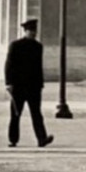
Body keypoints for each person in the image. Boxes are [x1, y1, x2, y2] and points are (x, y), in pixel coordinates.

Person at [5, 18, 53, 148]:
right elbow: (9, 65)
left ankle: (41, 139)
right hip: (18, 85)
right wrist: (8, 83)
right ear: (25, 31)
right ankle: (13, 139)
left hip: (33, 86)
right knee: (16, 114)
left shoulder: (38, 47)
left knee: (37, 114)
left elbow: (38, 67)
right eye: (30, 30)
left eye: (34, 31)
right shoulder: (15, 45)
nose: (33, 33)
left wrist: (41, 84)